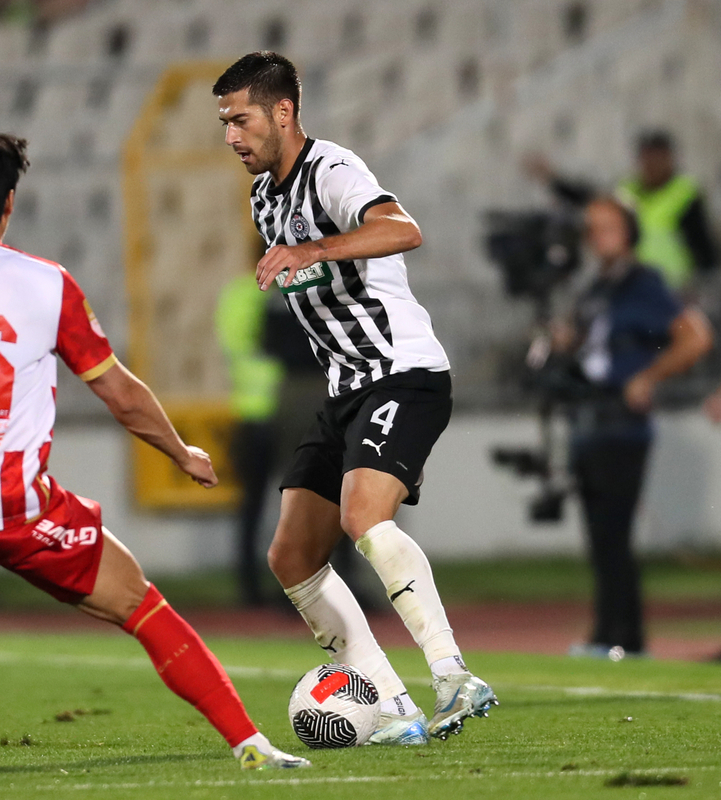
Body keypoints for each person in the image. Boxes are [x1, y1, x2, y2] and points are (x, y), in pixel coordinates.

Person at [0, 115, 309, 775]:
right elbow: (122, 395)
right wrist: (179, 451)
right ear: (9, 204)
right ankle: (251, 746)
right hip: (6, 499)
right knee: (142, 604)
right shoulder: (45, 284)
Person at [213, 52, 496, 745]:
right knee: (290, 555)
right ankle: (394, 706)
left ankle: (453, 673)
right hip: (345, 390)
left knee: (362, 514)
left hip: (402, 372)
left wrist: (316, 251)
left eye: (240, 119)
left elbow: (404, 229)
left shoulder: (332, 170)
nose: (230, 136)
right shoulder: (263, 198)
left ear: (283, 112)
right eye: (224, 123)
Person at [550, 197, 712, 658]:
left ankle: (625, 637)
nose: (599, 237)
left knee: (614, 533)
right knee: (600, 535)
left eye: (609, 228)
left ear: (630, 232)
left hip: (622, 425)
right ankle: (606, 633)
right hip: (588, 417)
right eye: (593, 229)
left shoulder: (644, 282)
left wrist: (649, 377)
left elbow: (696, 335)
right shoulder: (595, 287)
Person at [526, 131, 717, 292]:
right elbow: (591, 198)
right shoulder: (628, 190)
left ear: (669, 158)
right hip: (633, 283)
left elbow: (704, 247)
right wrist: (554, 180)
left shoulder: (685, 194)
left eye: (657, 158)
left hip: (675, 287)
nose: (651, 165)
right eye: (646, 158)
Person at [215, 273, 284, 607]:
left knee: (253, 505)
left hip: (252, 411)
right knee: (276, 503)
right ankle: (255, 587)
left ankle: (252, 587)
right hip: (273, 411)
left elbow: (235, 345)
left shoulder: (237, 294)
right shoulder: (263, 296)